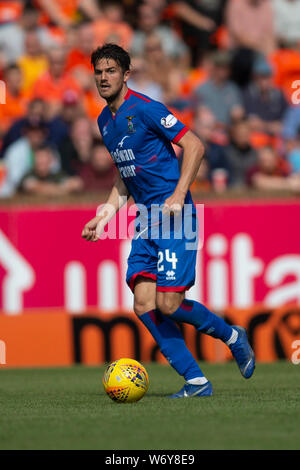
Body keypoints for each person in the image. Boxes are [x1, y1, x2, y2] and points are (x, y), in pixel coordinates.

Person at [81, 44, 255, 398]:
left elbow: (195, 145)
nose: (103, 77)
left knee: (168, 304)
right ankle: (196, 381)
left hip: (176, 218)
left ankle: (233, 336)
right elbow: (125, 174)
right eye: (99, 71)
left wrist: (178, 194)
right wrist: (105, 213)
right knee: (144, 302)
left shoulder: (145, 109)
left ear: (126, 74)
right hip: (145, 220)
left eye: (111, 70)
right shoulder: (104, 120)